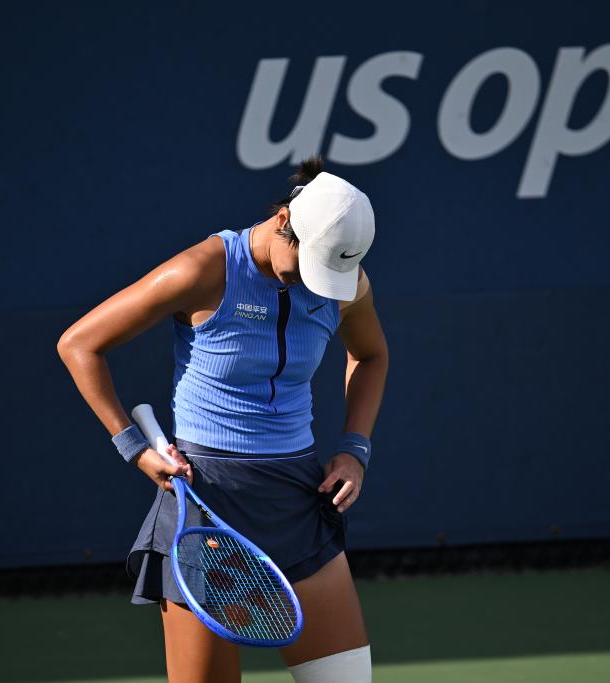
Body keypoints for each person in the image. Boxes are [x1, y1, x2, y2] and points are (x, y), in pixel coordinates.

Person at [56, 155, 388, 682]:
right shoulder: (203, 270)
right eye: (307, 264)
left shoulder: (343, 286)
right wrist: (133, 448)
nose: (314, 282)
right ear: (284, 221)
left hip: (298, 502)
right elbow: (79, 345)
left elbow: (370, 356)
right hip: (208, 505)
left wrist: (355, 449)